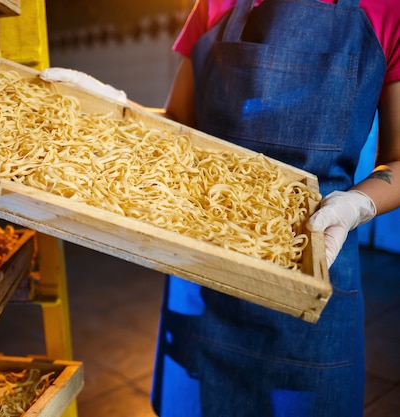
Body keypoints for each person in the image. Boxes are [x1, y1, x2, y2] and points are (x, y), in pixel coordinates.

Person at [150, 0, 400, 416]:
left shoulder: (386, 11)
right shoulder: (214, 5)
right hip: (207, 275)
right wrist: (108, 110)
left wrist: (355, 205)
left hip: (315, 273)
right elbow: (178, 122)